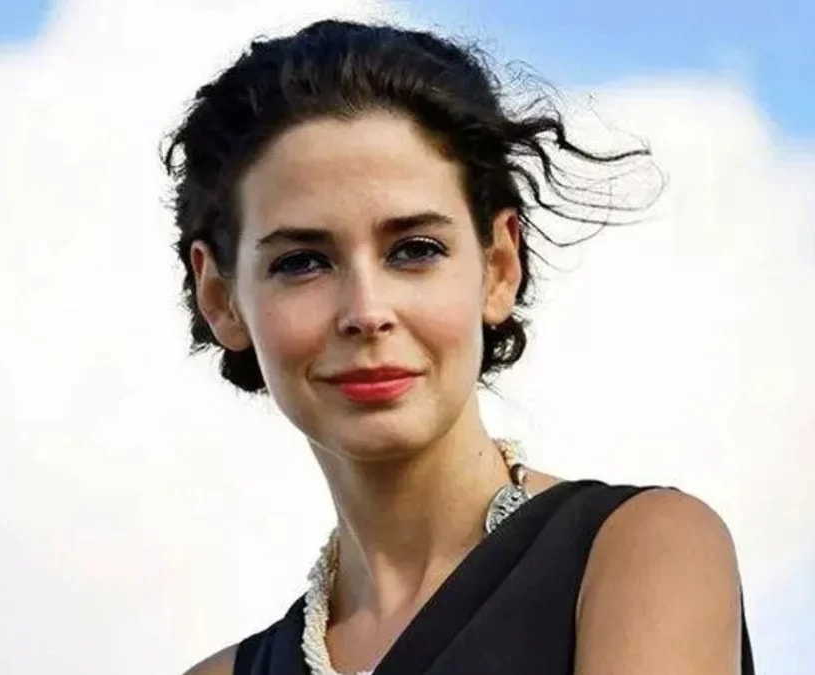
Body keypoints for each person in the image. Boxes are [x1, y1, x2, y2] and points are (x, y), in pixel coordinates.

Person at [165, 18, 754, 675]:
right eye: (303, 262)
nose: (366, 312)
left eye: (415, 250)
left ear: (499, 266)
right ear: (221, 297)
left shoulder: (639, 550)